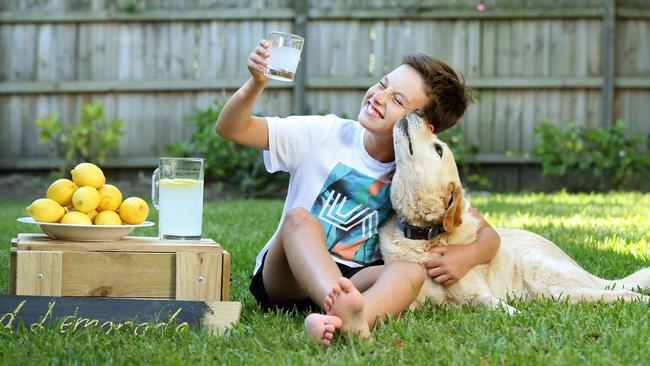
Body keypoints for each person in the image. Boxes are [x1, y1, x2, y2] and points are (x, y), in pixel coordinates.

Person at [215, 39, 500, 346]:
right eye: (383, 84)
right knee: (299, 219)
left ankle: (349, 323)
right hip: (287, 278)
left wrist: (466, 255)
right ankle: (341, 310)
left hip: (358, 285)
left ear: (423, 128)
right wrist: (256, 84)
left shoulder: (420, 175)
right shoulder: (324, 134)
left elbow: (489, 236)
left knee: (410, 272)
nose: (379, 97)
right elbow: (232, 128)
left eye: (397, 100)